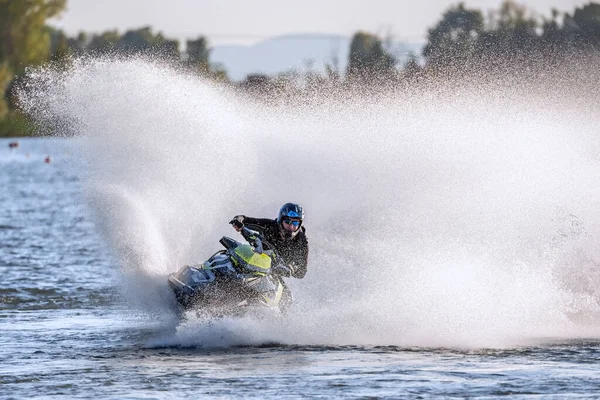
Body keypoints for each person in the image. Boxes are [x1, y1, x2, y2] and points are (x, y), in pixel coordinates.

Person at [229, 203, 308, 279]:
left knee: (286, 293)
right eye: (288, 222)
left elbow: (301, 273)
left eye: (295, 222)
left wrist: (291, 268)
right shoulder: (270, 225)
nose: (291, 226)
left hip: (271, 274)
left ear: (300, 224)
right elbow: (244, 219)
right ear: (281, 220)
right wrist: (238, 221)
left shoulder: (301, 241)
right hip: (253, 261)